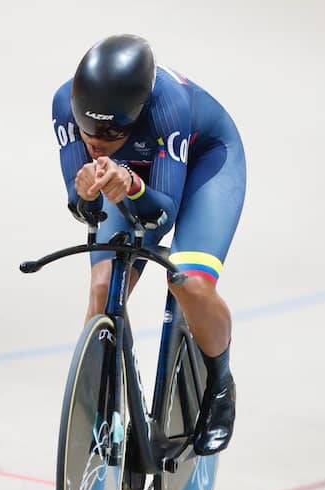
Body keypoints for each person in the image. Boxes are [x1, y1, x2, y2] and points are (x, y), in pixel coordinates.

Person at [51, 34, 246, 456]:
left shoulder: (168, 105)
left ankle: (220, 385)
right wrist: (83, 194)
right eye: (88, 129)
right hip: (138, 176)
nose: (96, 141)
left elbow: (163, 213)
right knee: (102, 291)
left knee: (189, 282)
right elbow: (82, 206)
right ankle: (103, 412)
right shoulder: (64, 104)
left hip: (204, 165)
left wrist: (134, 185)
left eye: (110, 132)